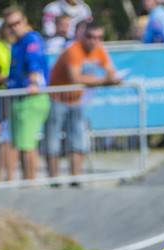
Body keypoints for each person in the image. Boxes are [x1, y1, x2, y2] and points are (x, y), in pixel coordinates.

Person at [45, 18, 118, 179]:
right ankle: (54, 179)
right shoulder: (73, 50)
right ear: (84, 36)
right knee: (53, 140)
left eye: (99, 38)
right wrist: (104, 81)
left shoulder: (98, 49)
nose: (95, 41)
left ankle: (75, 178)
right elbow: (75, 78)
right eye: (91, 37)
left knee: (77, 138)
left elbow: (111, 71)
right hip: (57, 99)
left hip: (76, 100)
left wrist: (112, 78)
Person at [2, 5, 50, 181]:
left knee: (28, 144)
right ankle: (24, 180)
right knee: (19, 143)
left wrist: (33, 82)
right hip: (18, 97)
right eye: (10, 24)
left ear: (25, 21)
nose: (14, 27)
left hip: (31, 97)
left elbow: (34, 65)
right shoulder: (16, 43)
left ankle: (31, 183)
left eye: (17, 23)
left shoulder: (32, 40)